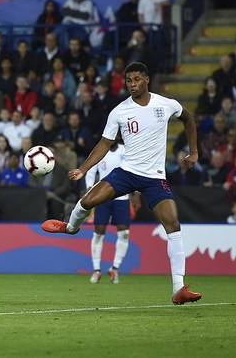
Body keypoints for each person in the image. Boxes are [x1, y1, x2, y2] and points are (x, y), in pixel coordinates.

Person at [41, 62, 202, 305]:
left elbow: (188, 119)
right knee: (87, 201)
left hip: (154, 177)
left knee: (173, 224)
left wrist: (195, 153)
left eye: (137, 79)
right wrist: (83, 169)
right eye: (128, 81)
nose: (132, 84)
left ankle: (179, 287)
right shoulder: (119, 112)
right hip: (127, 172)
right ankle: (71, 227)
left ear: (147, 79)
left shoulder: (165, 104)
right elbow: (104, 144)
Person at [83, 141, 130, 284]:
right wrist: (90, 189)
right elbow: (90, 171)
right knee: (99, 232)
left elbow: (134, 170)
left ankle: (115, 268)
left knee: (124, 233)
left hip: (122, 197)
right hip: (103, 196)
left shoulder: (126, 150)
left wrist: (137, 192)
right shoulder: (100, 150)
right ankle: (96, 270)